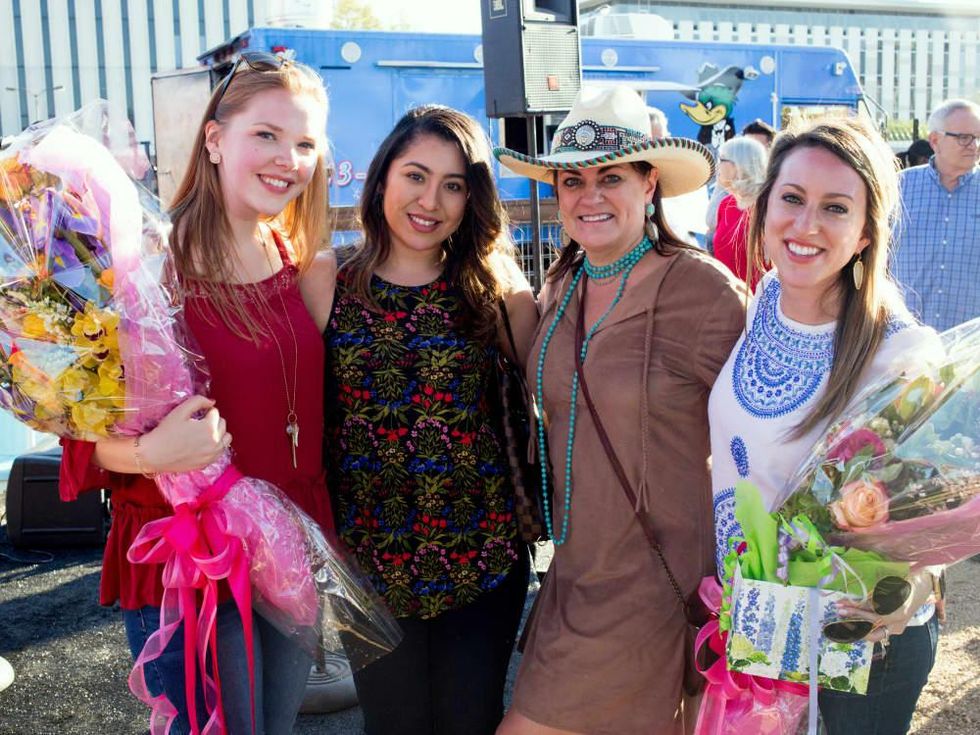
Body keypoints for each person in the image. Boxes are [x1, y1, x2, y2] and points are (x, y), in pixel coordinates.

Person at [60, 53, 334, 734]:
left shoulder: (296, 256)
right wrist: (154, 450)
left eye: (304, 142)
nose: (287, 159)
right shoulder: (147, 263)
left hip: (288, 544)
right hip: (194, 558)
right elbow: (80, 435)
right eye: (265, 135)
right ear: (215, 139)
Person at [493, 86, 747, 735]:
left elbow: (762, 437)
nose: (589, 196)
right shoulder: (560, 286)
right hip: (572, 578)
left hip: (659, 585)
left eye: (611, 177)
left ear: (650, 182)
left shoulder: (702, 290)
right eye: (572, 180)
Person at [709, 117, 944, 735]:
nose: (806, 225)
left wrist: (907, 595)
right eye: (792, 198)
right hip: (761, 633)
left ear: (866, 232)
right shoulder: (761, 301)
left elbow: (928, 526)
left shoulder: (901, 354)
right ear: (764, 206)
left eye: (835, 208)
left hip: (858, 654)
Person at [322, 104, 538, 735]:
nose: (431, 200)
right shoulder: (329, 279)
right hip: (369, 565)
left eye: (453, 185)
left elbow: (556, 405)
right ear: (382, 176)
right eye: (415, 176)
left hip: (484, 561)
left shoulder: (496, 290)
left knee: (470, 722)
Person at [892, 98, 980, 331]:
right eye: (964, 138)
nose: (974, 145)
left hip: (970, 348)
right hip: (903, 339)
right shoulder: (898, 187)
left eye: (978, 137)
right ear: (935, 140)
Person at [648, 104, 711, 247]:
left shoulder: (689, 178)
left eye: (658, 140)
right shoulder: (626, 181)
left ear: (667, 138)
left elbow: (696, 233)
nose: (653, 147)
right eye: (648, 142)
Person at [712, 135, 768, 289]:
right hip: (727, 300)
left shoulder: (767, 206)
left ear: (739, 165)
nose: (717, 166)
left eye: (721, 160)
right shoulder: (726, 204)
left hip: (761, 304)